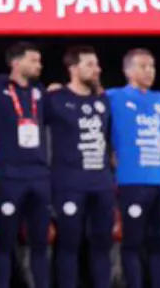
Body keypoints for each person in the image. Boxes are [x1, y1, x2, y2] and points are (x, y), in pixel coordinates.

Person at [45, 46, 114, 288]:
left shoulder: (103, 100)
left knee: (102, 244)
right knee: (69, 244)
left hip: (102, 184)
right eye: (90, 65)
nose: (97, 69)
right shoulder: (54, 99)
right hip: (69, 185)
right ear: (73, 68)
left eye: (97, 64)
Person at [107, 48, 160, 288]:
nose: (149, 71)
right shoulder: (113, 96)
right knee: (132, 243)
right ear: (128, 71)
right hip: (132, 181)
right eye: (143, 66)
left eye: (152, 66)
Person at [0, 42, 49, 288]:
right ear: (16, 62)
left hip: (39, 177)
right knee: (5, 242)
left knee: (40, 243)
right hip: (9, 177)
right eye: (33, 60)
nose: (39, 65)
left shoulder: (40, 91)